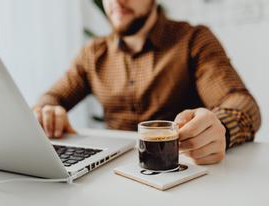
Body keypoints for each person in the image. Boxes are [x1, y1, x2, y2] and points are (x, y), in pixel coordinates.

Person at [33, 0, 261, 165]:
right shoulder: (93, 54)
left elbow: (241, 102)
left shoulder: (193, 40)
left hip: (181, 173)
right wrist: (47, 111)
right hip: (111, 173)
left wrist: (219, 127)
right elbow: (53, 97)